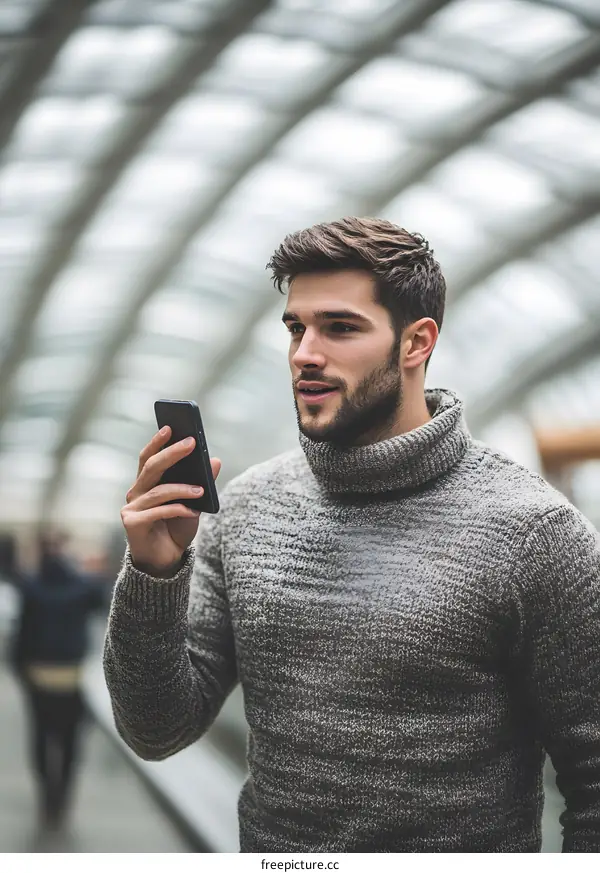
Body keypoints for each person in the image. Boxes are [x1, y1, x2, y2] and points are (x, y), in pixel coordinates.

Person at [103, 217, 600, 853]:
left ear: (417, 343)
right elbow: (155, 730)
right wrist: (155, 573)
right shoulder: (248, 507)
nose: (305, 353)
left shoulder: (533, 533)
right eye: (295, 327)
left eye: (339, 327)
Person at [11, 532, 106, 828]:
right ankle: (62, 796)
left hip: (38, 676)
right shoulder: (82, 587)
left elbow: (22, 634)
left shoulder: (30, 587)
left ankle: (46, 794)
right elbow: (105, 601)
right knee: (69, 739)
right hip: (71, 676)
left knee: (40, 736)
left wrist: (19, 669)